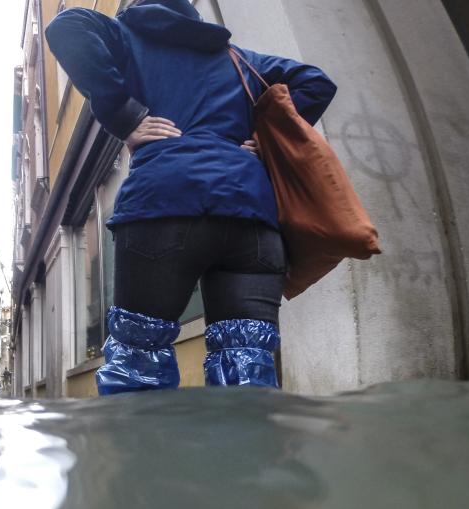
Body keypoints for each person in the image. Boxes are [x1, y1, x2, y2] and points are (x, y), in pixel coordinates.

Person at [45, 0, 336, 394]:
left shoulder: (125, 37)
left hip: (163, 206)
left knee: (138, 362)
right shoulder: (238, 58)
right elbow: (316, 81)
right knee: (247, 369)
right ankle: (248, 451)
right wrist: (264, 141)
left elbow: (68, 26)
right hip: (250, 215)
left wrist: (124, 115)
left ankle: (147, 454)